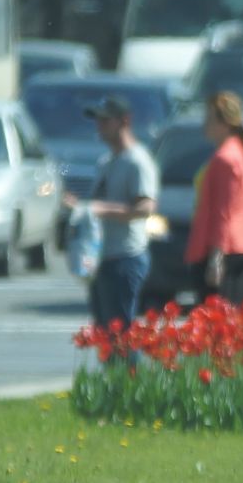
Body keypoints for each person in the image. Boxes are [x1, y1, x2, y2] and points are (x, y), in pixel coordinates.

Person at [64, 95, 158, 344]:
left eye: (106, 121)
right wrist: (79, 205)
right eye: (98, 121)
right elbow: (98, 201)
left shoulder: (137, 161)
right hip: (103, 258)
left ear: (124, 121)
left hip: (125, 258)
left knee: (122, 336)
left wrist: (98, 208)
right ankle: (114, 381)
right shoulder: (106, 161)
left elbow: (145, 207)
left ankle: (133, 380)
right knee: (105, 337)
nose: (100, 126)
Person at [184, 91, 243, 304]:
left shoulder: (225, 158)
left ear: (225, 123)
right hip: (236, 243)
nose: (204, 125)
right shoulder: (238, 153)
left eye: (209, 119)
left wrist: (216, 257)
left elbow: (223, 211)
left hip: (221, 248)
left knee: (215, 318)